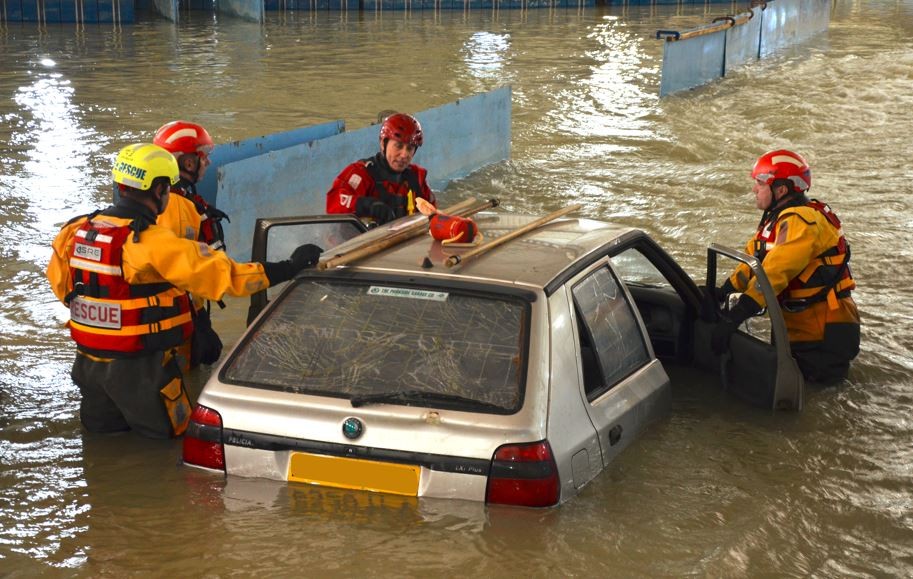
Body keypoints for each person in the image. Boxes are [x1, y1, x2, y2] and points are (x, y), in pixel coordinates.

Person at [46, 143, 322, 439]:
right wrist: (288, 267)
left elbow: (63, 289)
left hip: (88, 365)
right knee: (172, 448)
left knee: (104, 443)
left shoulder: (74, 231)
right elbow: (228, 278)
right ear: (160, 189)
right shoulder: (152, 243)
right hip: (141, 369)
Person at [711, 149, 860, 385]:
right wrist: (721, 292)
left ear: (781, 189)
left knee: (813, 400)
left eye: (760, 183)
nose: (754, 189)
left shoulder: (800, 222)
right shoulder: (778, 220)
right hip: (801, 327)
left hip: (823, 332)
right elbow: (753, 263)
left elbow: (774, 273)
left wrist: (735, 317)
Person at [153, 120, 229, 368]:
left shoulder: (175, 198)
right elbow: (176, 265)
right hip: (176, 311)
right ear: (188, 163)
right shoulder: (176, 205)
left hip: (181, 306)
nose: (207, 162)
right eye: (203, 156)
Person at [326, 112, 436, 225]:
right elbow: (334, 203)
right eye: (398, 146)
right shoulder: (360, 173)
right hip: (360, 240)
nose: (404, 154)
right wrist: (367, 205)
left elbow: (433, 214)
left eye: (410, 148)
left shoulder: (416, 177)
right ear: (383, 143)